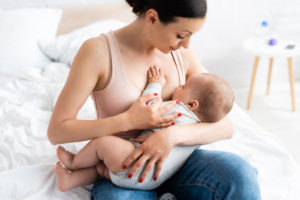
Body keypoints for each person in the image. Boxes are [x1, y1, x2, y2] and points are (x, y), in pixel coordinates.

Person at [48, 0, 261, 199]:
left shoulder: (182, 56)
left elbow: (225, 125)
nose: (186, 45)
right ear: (152, 18)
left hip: (177, 162)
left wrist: (170, 136)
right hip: (127, 167)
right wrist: (128, 121)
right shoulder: (98, 52)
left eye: (190, 36)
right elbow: (58, 130)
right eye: (181, 35)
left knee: (240, 175)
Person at [55, 65, 235, 191]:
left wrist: (156, 83)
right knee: (100, 169)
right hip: (150, 180)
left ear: (192, 104)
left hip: (135, 164)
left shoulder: (178, 109)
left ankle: (75, 163)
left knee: (102, 143)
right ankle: (70, 180)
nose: (179, 85)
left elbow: (150, 106)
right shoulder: (199, 129)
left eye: (184, 86)